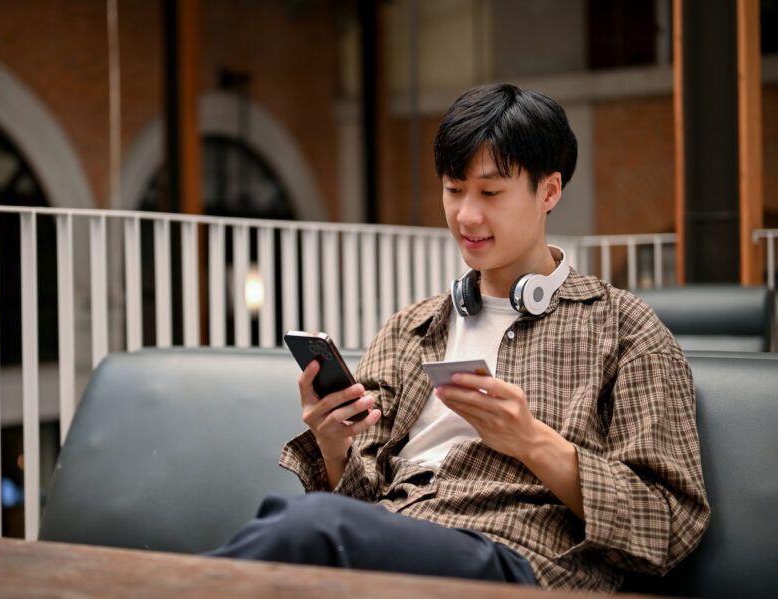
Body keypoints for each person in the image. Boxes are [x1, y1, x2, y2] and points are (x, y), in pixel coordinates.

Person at [207, 83, 710, 592]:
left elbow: (668, 525)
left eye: (491, 193)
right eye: (453, 188)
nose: (467, 215)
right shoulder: (412, 330)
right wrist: (334, 446)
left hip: (517, 562)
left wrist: (533, 442)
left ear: (550, 192)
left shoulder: (626, 331)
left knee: (308, 525)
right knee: (309, 528)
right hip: (395, 544)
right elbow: (359, 507)